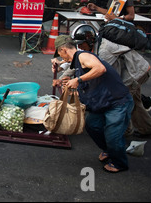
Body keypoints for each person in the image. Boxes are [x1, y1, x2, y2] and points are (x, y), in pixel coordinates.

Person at [54, 35, 134, 173]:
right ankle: (108, 151)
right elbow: (90, 77)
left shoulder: (83, 56)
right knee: (92, 125)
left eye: (60, 54)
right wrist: (70, 80)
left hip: (117, 102)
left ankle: (119, 163)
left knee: (113, 135)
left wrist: (78, 79)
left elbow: (100, 68)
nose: (62, 58)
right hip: (101, 103)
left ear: (63, 50)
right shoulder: (78, 62)